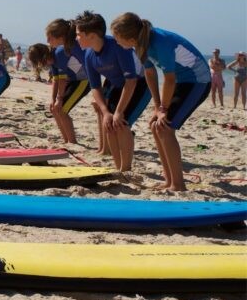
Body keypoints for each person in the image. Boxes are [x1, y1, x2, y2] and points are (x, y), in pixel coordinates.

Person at [111, 13, 211, 191]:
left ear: (130, 37)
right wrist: (157, 106)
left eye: (118, 38)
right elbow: (150, 74)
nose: (116, 42)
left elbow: (169, 79)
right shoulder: (139, 45)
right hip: (182, 81)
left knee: (165, 127)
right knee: (155, 126)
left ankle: (178, 184)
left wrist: (164, 109)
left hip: (198, 81)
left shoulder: (160, 42)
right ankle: (168, 180)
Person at [75, 11, 150, 172]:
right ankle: (118, 169)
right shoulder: (88, 55)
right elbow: (95, 86)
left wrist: (119, 112)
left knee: (122, 124)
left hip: (139, 85)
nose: (76, 38)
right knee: (109, 124)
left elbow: (131, 81)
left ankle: (126, 169)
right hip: (118, 86)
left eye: (79, 35)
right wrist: (105, 112)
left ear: (93, 36)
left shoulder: (117, 47)